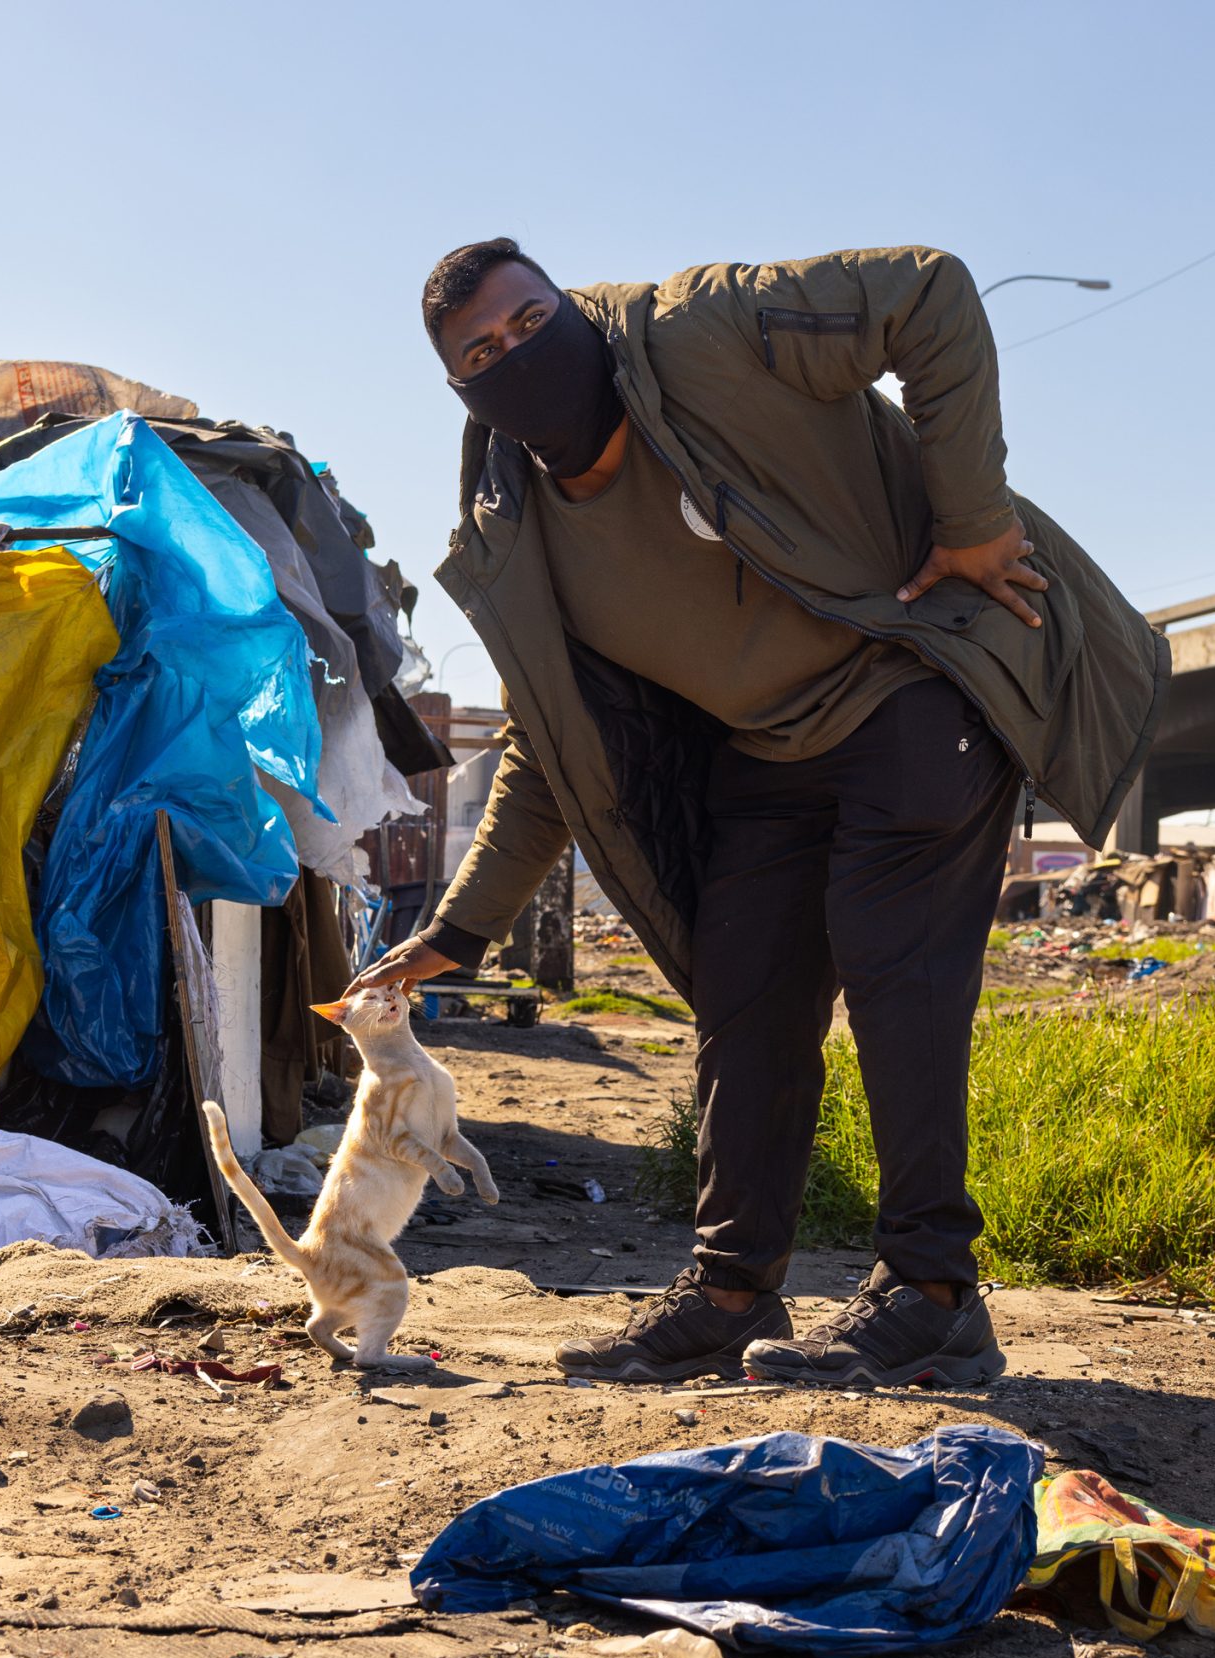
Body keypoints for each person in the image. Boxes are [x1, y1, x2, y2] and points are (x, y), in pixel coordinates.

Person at [349, 241, 1166, 1387]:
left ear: (571, 308)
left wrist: (971, 516)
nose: (518, 355)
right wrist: (462, 924)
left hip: (916, 678)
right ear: (462, 392)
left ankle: (933, 1293)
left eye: (533, 322)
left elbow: (929, 291)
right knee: (747, 1006)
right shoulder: (519, 529)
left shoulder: (702, 330)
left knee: (895, 973)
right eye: (484, 352)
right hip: (764, 751)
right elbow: (554, 741)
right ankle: (729, 1291)